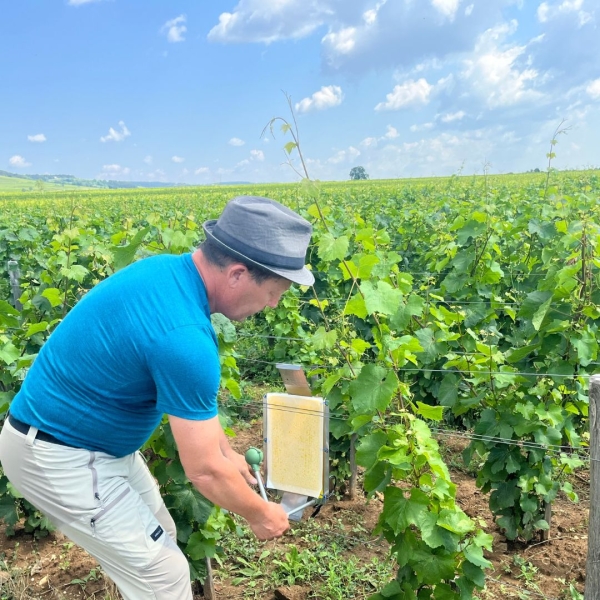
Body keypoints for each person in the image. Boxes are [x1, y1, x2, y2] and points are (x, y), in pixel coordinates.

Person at [0, 195, 315, 600]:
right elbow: (203, 472)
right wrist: (261, 514)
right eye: (275, 291)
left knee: (161, 536)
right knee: (162, 576)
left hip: (92, 447)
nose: (274, 304)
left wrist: (228, 453)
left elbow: (197, 413)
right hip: (58, 455)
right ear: (238, 273)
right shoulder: (184, 337)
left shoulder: (168, 272)